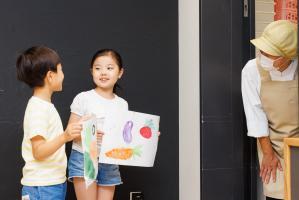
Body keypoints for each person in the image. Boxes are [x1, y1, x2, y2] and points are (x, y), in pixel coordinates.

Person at [241, 20, 298, 200]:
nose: (262, 55)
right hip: (272, 145)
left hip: (298, 142)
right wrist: (268, 153)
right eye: (262, 51)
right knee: (277, 193)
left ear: (288, 55)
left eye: (269, 53)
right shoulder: (251, 70)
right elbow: (255, 115)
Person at [17, 46, 83, 200]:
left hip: (51, 184)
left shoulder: (44, 106)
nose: (63, 75)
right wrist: (65, 137)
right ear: (50, 76)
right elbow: (39, 152)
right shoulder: (37, 108)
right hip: (43, 186)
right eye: (61, 70)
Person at [67, 49, 128, 200]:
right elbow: (70, 133)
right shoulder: (83, 98)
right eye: (98, 68)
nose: (103, 72)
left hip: (109, 160)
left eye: (109, 68)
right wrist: (89, 136)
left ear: (120, 72)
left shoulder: (122, 104)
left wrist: (146, 138)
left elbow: (124, 137)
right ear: (92, 71)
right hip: (84, 157)